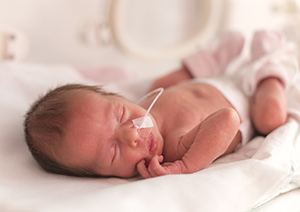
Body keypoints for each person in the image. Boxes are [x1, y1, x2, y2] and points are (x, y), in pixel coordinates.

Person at [24, 30, 298, 179]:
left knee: (165, 80)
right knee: (270, 119)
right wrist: (186, 165)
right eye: (112, 151)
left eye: (120, 114)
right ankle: (268, 70)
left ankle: (217, 56)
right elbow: (228, 118)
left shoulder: (145, 101)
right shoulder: (174, 149)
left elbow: (155, 93)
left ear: (114, 95)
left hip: (206, 81)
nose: (132, 134)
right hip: (246, 102)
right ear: (102, 175)